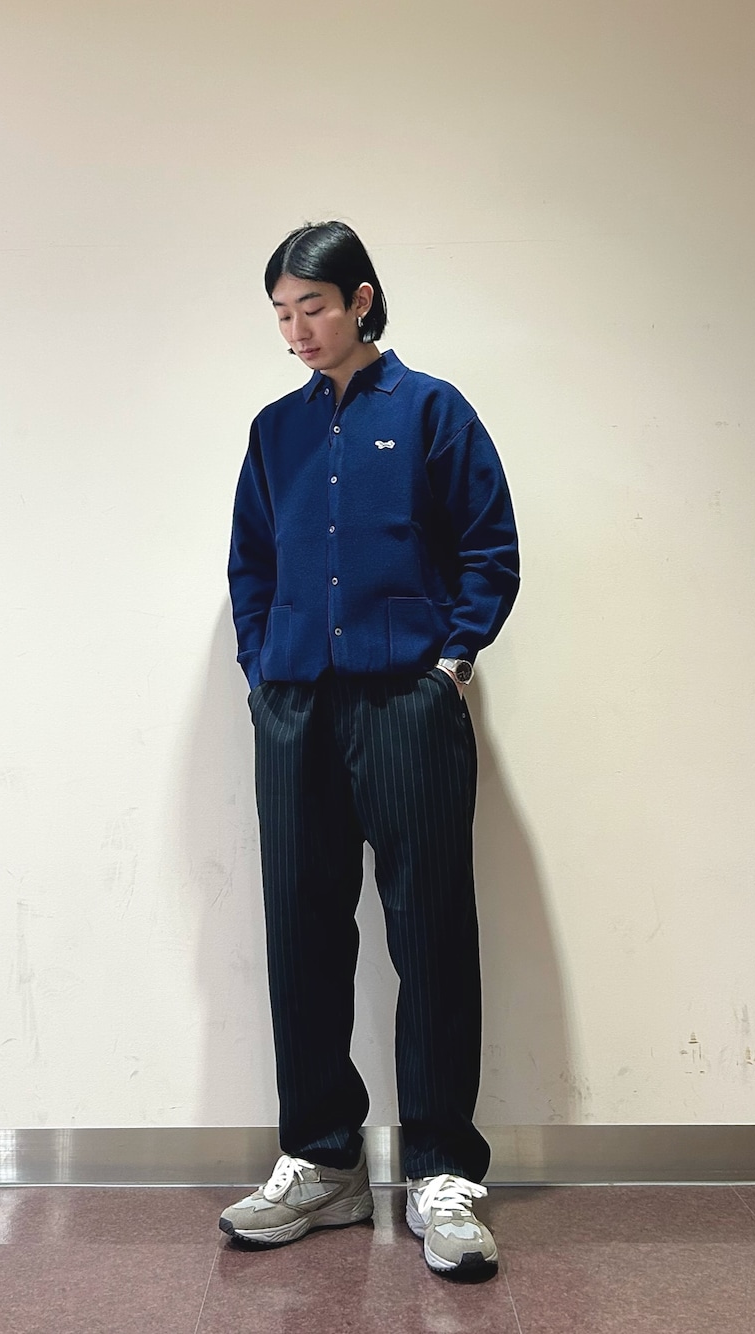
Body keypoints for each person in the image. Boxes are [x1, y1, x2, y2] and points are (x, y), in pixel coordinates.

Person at [221, 221, 519, 1277]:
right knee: (301, 930)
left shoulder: (432, 410)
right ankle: (323, 1158)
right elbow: (250, 565)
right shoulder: (275, 430)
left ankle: (441, 1170)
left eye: (312, 307)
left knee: (429, 927)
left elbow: (489, 547)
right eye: (281, 314)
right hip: (296, 707)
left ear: (360, 298)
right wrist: (263, 674)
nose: (296, 331)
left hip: (405, 703)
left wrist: (450, 664)